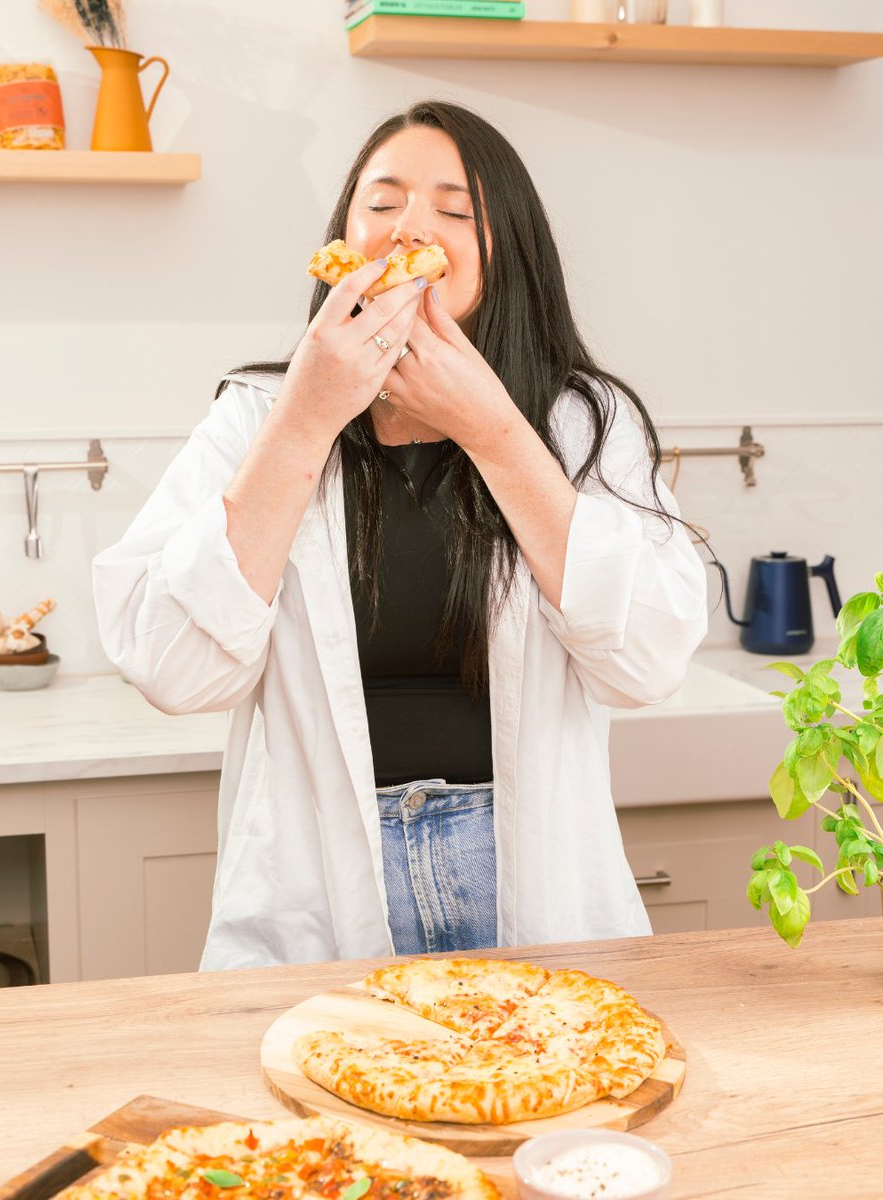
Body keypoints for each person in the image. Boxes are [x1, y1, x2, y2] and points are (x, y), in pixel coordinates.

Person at [92, 99, 707, 971]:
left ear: (508, 252)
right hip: (322, 885)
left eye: (455, 210)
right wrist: (306, 417)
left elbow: (648, 659)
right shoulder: (255, 418)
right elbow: (173, 671)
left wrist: (494, 429)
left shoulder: (578, 422)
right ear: (344, 236)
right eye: (382, 205)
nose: (409, 227)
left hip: (526, 880)